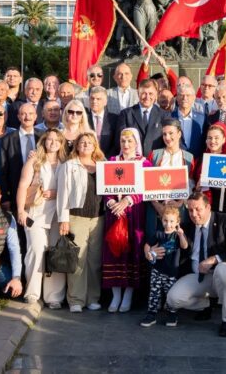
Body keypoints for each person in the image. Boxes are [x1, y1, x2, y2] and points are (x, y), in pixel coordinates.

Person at [165, 191, 226, 337]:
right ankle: (206, 305)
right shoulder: (187, 226)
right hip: (198, 277)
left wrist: (214, 259)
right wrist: (151, 248)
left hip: (222, 277)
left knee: (223, 270)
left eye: (198, 209)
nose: (194, 214)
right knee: (173, 299)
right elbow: (168, 241)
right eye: (190, 210)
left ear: (208, 208)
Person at [16, 130, 67, 307]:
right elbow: (23, 186)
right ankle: (32, 293)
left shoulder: (65, 163)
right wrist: (21, 210)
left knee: (55, 254)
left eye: (56, 140)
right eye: (49, 139)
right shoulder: (34, 161)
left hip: (58, 215)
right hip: (35, 213)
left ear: (61, 144)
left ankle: (54, 297)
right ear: (44, 141)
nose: (52, 143)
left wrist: (57, 193)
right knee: (36, 251)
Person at [56, 131, 106, 312]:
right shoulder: (69, 166)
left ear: (95, 146)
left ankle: (93, 297)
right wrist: (63, 219)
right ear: (76, 145)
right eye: (82, 142)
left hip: (98, 217)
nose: (85, 145)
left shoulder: (102, 165)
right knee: (77, 259)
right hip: (76, 217)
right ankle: (76, 299)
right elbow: (62, 194)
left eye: (89, 142)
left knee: (94, 260)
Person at [103, 128, 151, 313]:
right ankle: (115, 295)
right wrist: (112, 202)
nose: (126, 144)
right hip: (115, 213)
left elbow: (146, 188)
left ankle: (128, 295)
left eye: (130, 141)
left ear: (136, 143)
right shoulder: (112, 161)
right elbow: (105, 187)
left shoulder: (144, 163)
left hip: (134, 214)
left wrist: (127, 200)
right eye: (123, 141)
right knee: (114, 251)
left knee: (133, 250)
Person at [140, 206, 188, 327]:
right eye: (165, 220)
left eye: (172, 221)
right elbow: (147, 245)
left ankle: (172, 314)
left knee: (170, 294)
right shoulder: (158, 233)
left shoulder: (177, 235)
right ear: (162, 220)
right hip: (157, 270)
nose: (168, 224)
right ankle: (151, 314)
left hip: (171, 272)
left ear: (177, 222)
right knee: (154, 293)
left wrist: (181, 235)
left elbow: (185, 246)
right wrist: (148, 254)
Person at [1, 103, 39, 214]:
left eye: (31, 114)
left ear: (36, 116)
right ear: (18, 117)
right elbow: (3, 170)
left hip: (39, 193)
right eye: (23, 114)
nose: (27, 117)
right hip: (15, 191)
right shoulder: (8, 139)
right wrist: (5, 197)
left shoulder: (43, 137)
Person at [118, 78, 165, 152]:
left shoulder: (164, 115)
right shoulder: (126, 114)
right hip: (133, 159)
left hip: (156, 160)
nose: (147, 97)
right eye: (144, 93)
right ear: (138, 93)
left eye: (151, 93)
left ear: (156, 94)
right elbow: (119, 140)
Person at [171, 84, 205, 157]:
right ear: (176, 98)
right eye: (181, 95)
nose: (184, 98)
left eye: (188, 95)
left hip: (197, 160)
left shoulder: (202, 118)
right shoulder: (170, 117)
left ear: (194, 98)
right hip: (176, 159)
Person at [87, 86, 120, 157]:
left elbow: (116, 143)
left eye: (98, 99)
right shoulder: (83, 118)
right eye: (92, 98)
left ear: (105, 102)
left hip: (108, 160)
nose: (94, 101)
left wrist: (105, 159)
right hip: (88, 160)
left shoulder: (115, 119)